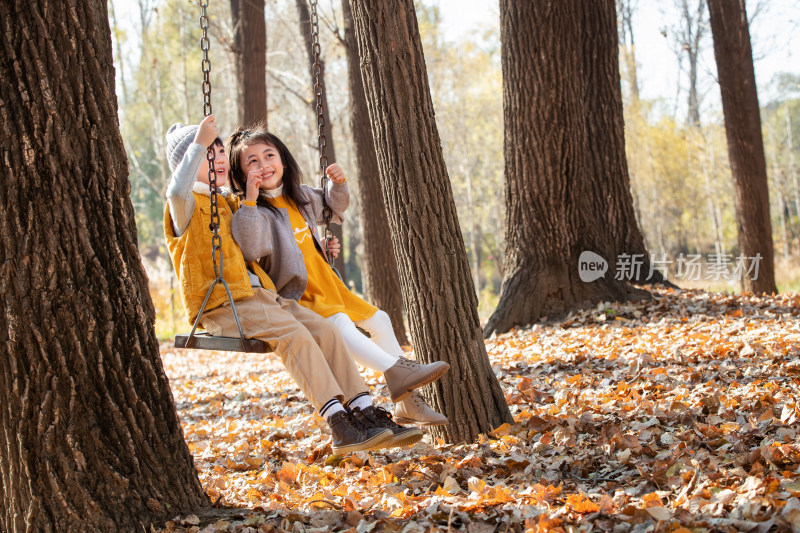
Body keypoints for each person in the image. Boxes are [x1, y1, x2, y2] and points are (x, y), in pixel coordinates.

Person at [164, 115, 424, 454]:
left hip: (262, 296)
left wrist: (318, 245)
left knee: (326, 331)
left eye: (219, 151)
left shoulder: (229, 201)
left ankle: (364, 412)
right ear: (188, 162)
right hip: (221, 305)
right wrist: (198, 140)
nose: (218, 160)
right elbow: (176, 187)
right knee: (296, 337)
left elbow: (269, 237)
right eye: (205, 155)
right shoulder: (182, 205)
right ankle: (339, 424)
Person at [227, 127, 449, 427]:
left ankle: (409, 403)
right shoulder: (251, 211)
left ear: (283, 160)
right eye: (252, 161)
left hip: (328, 284)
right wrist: (251, 200)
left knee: (380, 320)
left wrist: (338, 184)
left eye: (269, 155)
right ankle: (399, 371)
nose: (263, 165)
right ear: (241, 173)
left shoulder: (300, 196)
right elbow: (252, 248)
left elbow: (334, 206)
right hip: (298, 296)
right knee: (341, 324)